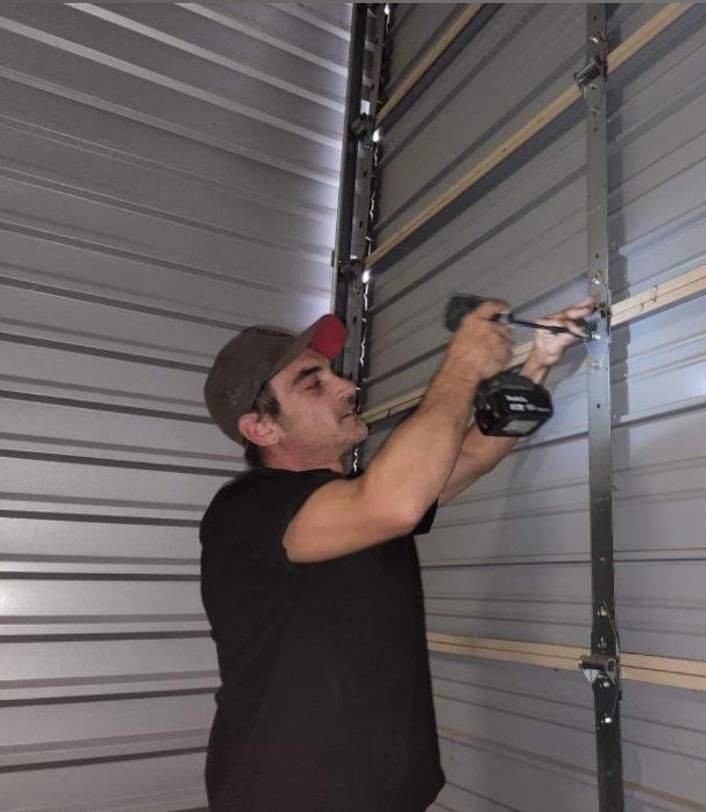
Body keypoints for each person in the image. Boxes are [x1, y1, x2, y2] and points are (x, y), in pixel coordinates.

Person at [199, 296, 594, 811]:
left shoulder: (351, 505)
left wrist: (540, 359)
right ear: (262, 428)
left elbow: (469, 456)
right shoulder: (247, 511)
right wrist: (463, 365)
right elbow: (396, 503)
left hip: (386, 789)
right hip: (287, 792)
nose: (346, 387)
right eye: (313, 383)